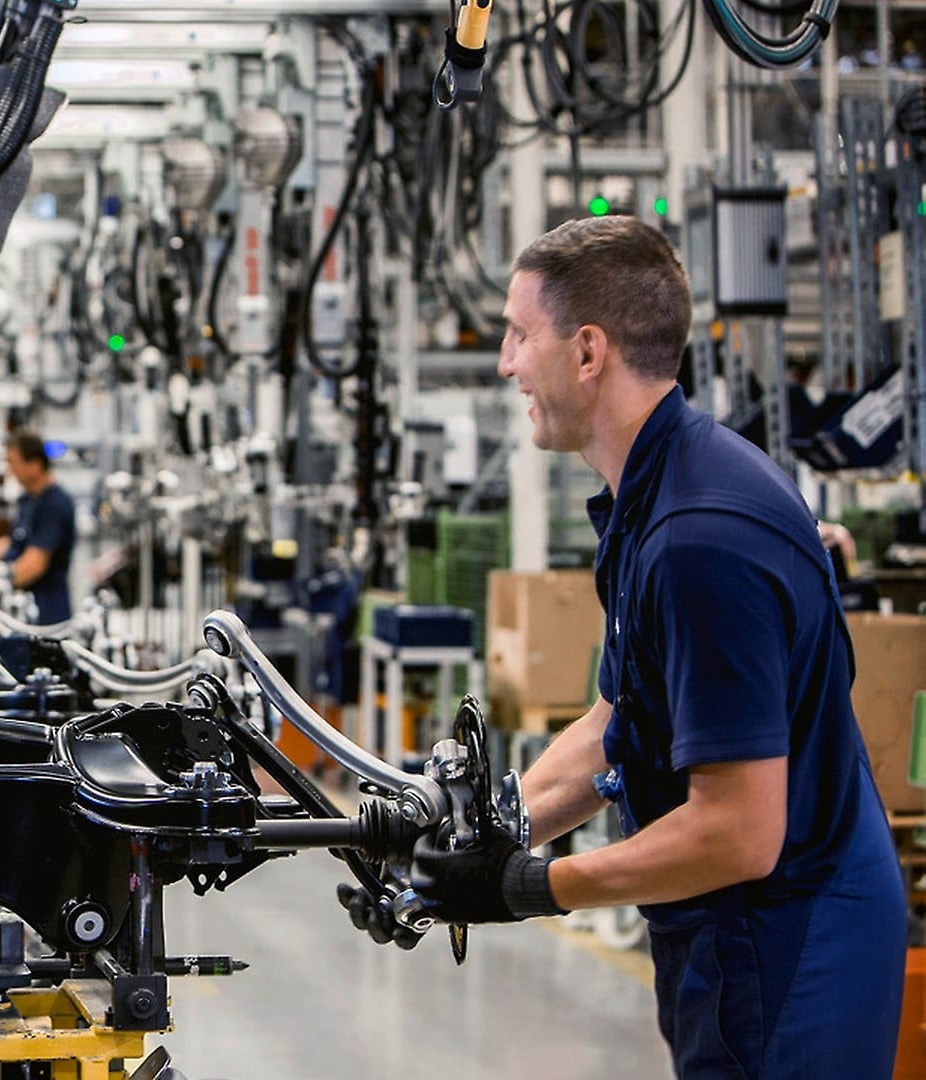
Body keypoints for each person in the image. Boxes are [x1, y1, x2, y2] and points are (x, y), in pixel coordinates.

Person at [340, 216, 906, 1078]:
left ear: (588, 351)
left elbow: (739, 831)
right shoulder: (655, 498)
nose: (505, 362)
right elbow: (617, 725)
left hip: (790, 947)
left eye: (520, 334)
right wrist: (461, 837)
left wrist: (526, 886)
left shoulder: (698, 539)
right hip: (732, 933)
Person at [0, 431, 78, 624]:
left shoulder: (54, 504)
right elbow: (13, 542)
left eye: (13, 463)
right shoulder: (28, 499)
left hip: (43, 611)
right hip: (21, 605)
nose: (10, 470)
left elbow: (35, 563)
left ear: (35, 465)